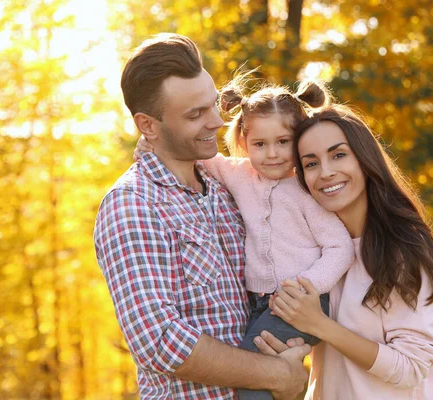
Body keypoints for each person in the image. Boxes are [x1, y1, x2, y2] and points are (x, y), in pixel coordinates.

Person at [93, 33, 310, 400]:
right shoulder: (132, 205)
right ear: (148, 125)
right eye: (195, 115)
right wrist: (274, 374)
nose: (217, 122)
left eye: (213, 105)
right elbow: (158, 340)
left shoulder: (226, 183)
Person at [136, 74, 355, 400]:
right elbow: (197, 156)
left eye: (283, 142)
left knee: (255, 376)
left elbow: (340, 248)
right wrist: (152, 145)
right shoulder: (239, 175)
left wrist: (305, 288)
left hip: (303, 302)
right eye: (260, 144)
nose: (272, 154)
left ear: (300, 139)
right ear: (243, 142)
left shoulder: (307, 190)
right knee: (268, 373)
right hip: (259, 302)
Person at [253, 83, 433, 399]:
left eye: (338, 155)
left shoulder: (405, 249)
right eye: (310, 163)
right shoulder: (320, 257)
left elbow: (410, 367)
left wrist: (320, 325)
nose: (326, 172)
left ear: (365, 159)